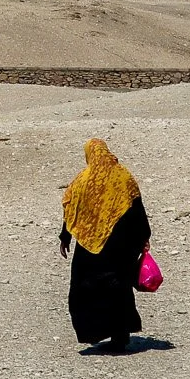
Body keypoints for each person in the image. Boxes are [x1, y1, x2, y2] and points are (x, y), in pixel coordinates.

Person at [59, 138, 151, 352]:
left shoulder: (84, 179)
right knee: (118, 288)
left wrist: (65, 237)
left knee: (84, 288)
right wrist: (144, 237)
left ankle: (94, 332)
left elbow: (71, 208)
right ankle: (120, 336)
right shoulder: (123, 176)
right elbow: (137, 207)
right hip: (121, 245)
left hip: (89, 245)